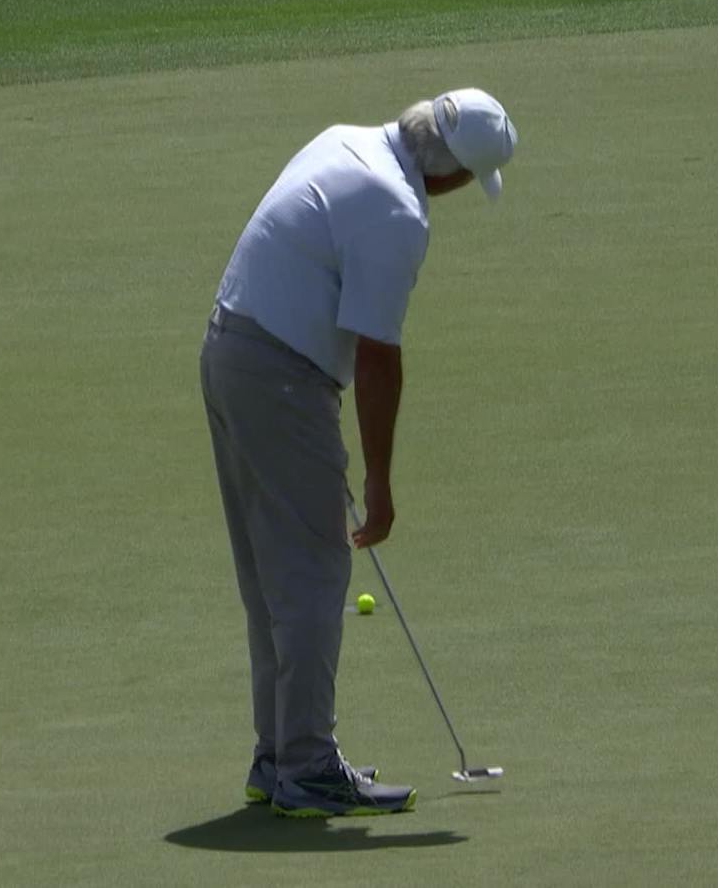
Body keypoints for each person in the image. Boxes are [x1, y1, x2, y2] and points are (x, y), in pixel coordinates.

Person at [199, 88, 517, 817]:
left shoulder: (346, 136)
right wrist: (379, 482)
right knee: (312, 573)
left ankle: (278, 753)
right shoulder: (399, 212)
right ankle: (305, 767)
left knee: (271, 577)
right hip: (277, 376)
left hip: (229, 351)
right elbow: (377, 356)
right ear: (452, 175)